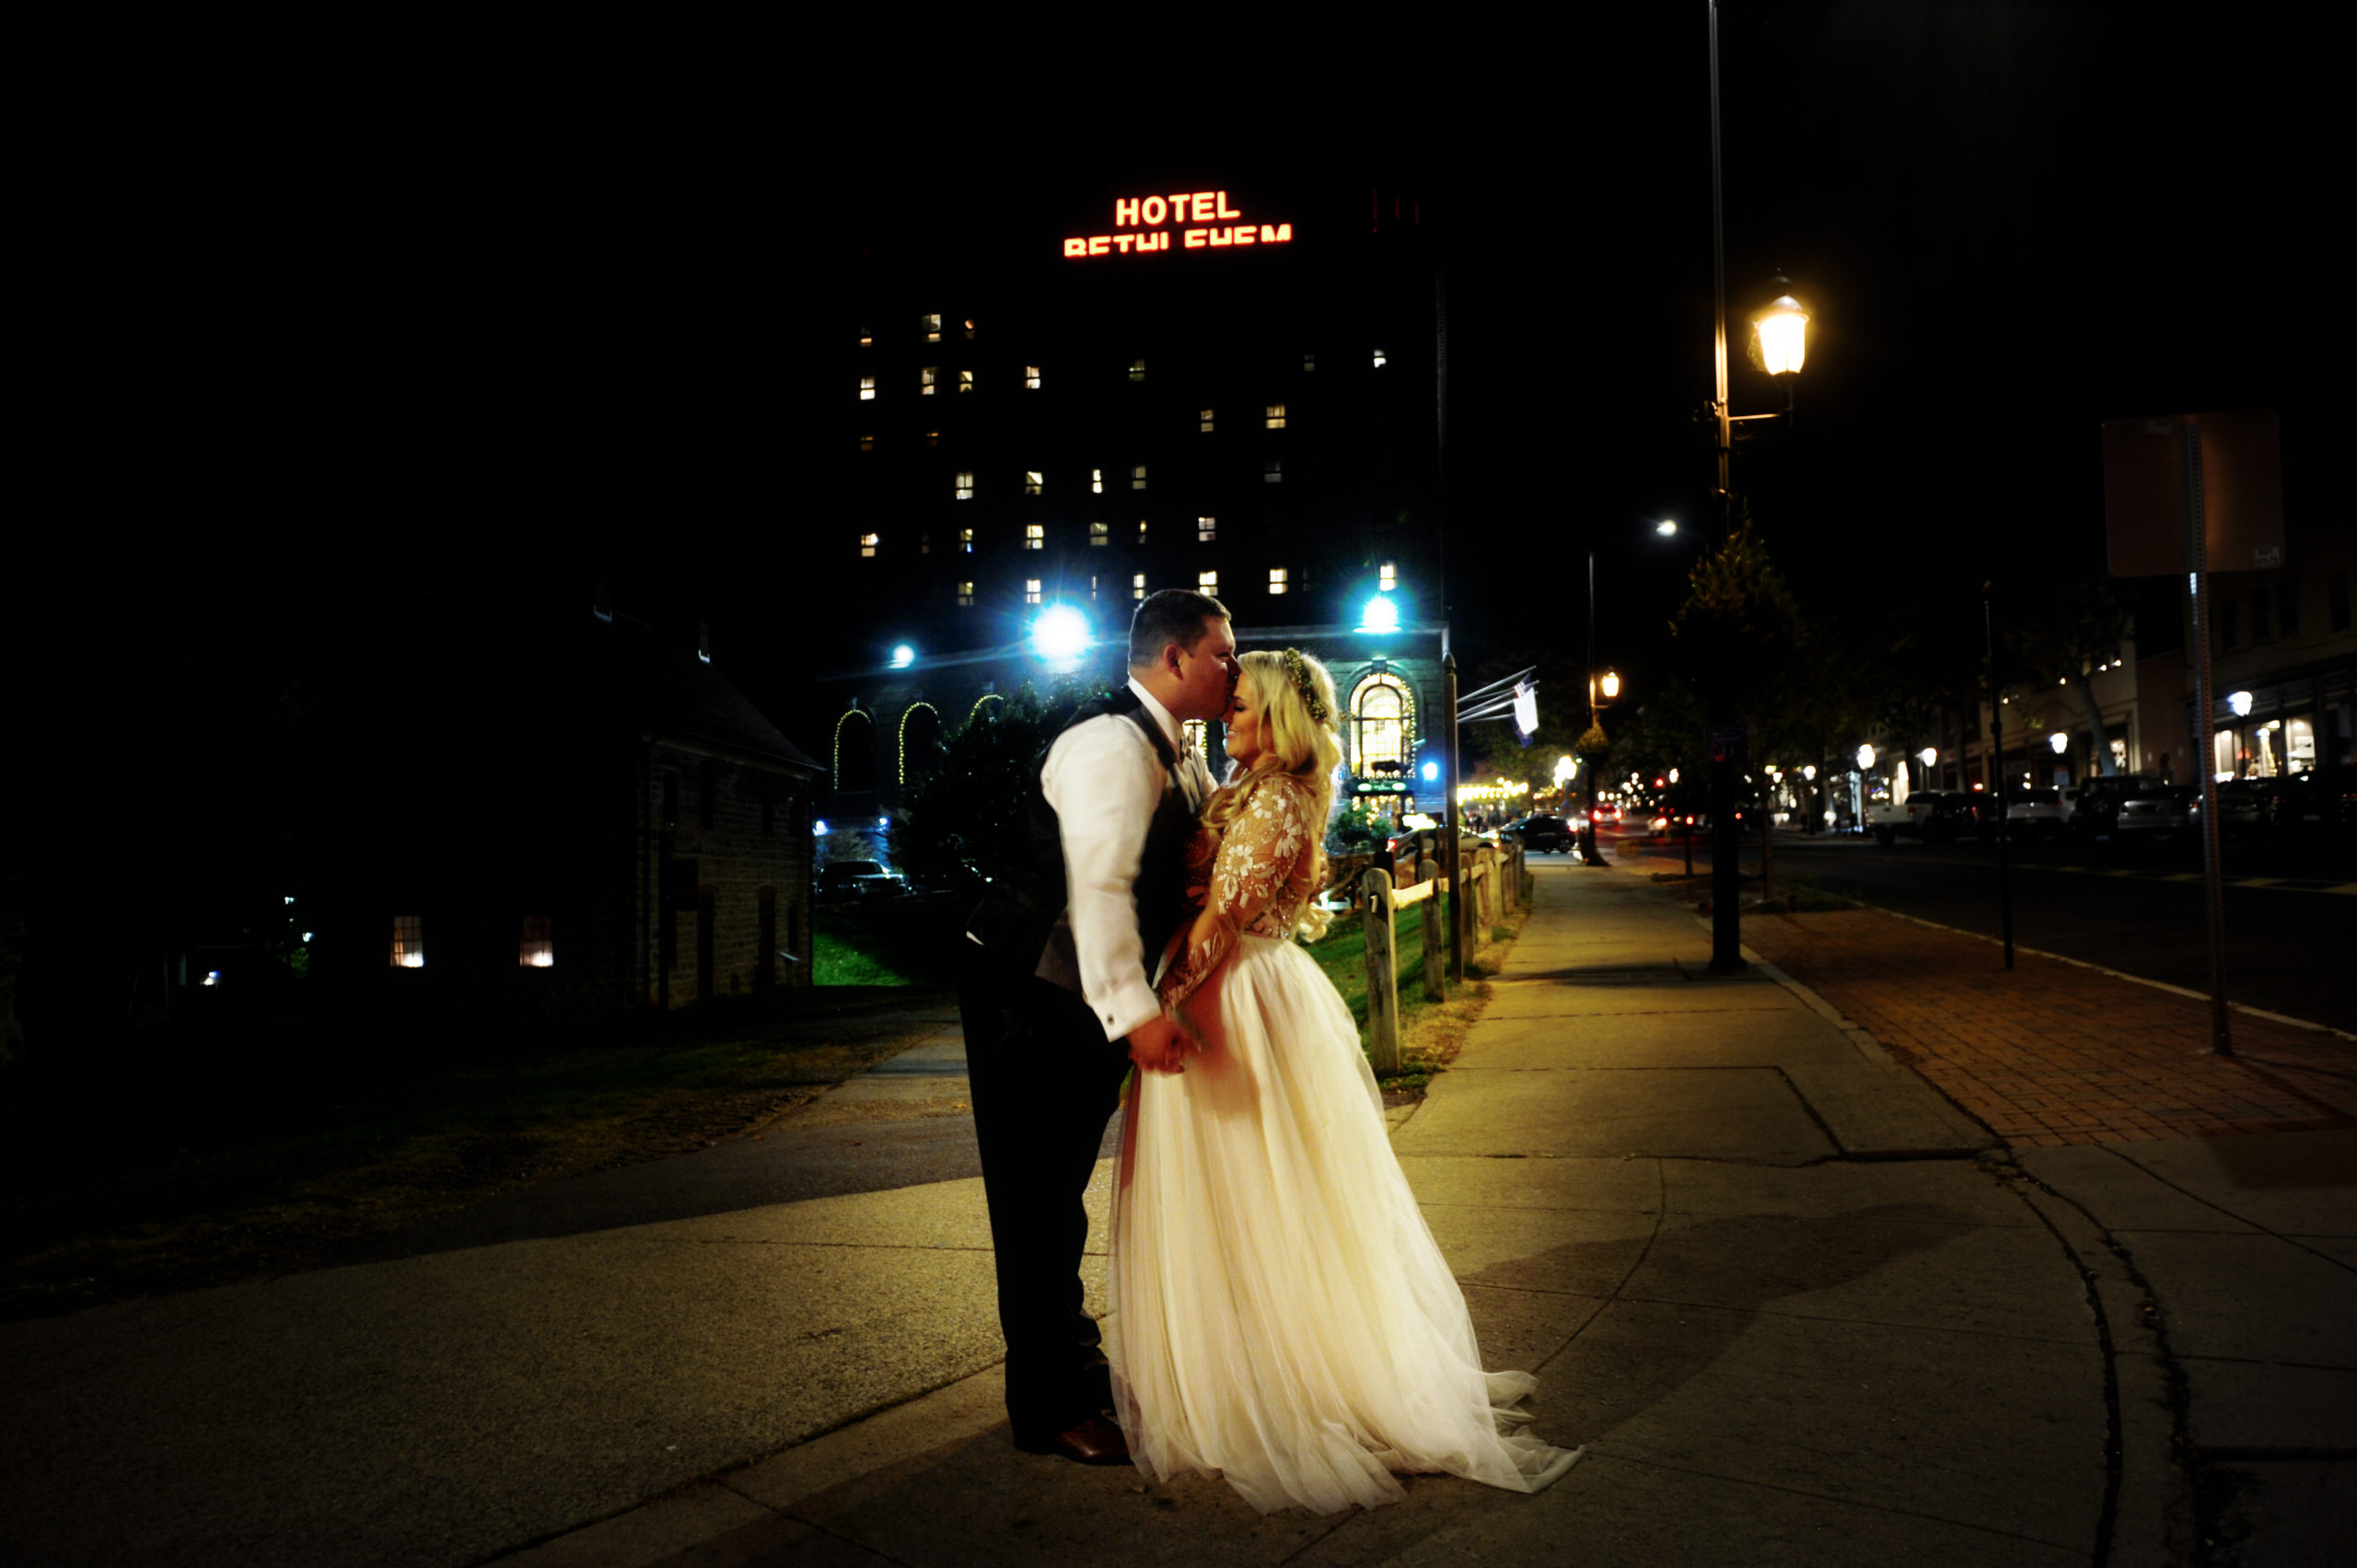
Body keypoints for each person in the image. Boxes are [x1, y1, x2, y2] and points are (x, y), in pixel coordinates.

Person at [1110, 648, 1582, 1514]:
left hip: (1237, 997)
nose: (1228, 711)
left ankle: (1282, 1380)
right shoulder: (1244, 785)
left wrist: (1159, 1002)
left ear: (1279, 717)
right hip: (1225, 987)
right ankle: (1235, 1361)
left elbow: (1226, 913)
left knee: (1263, 1188)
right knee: (1223, 1192)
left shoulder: (1282, 799)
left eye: (1242, 703)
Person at [956, 590, 1237, 1466]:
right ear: (1176, 658)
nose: (1234, 669)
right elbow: (1100, 890)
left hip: (1074, 1006)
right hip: (1026, 1001)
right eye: (1224, 654)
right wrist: (1137, 1016)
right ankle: (1049, 1409)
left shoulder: (1179, 754)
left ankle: (1072, 1375)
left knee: (1058, 1200)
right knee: (1037, 1205)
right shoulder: (1111, 746)